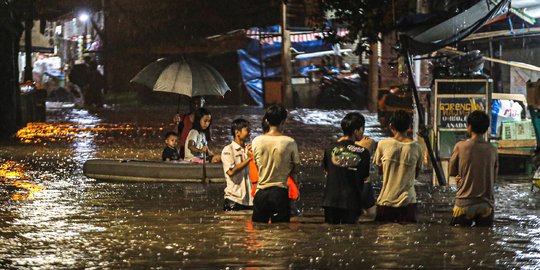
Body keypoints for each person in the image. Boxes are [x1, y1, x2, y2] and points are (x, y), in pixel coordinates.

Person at [251, 105, 300, 223]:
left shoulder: (256, 141)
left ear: (267, 120)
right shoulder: (289, 142)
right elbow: (296, 169)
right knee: (281, 233)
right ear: (283, 121)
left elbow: (257, 165)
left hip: (260, 194)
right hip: (280, 194)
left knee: (259, 232)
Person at [449, 110, 498, 227]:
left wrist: (460, 178)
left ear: (469, 127)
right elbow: (494, 178)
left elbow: (452, 171)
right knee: (484, 240)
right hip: (486, 204)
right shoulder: (492, 149)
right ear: (486, 129)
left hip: (464, 203)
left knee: (460, 242)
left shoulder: (460, 146)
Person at [373, 110, 423, 223]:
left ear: (391, 125)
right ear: (409, 127)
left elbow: (380, 171)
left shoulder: (383, 144)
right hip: (408, 202)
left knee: (384, 237)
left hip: (386, 201)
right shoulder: (417, 148)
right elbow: (416, 175)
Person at [322, 112, 371, 224]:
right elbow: (365, 178)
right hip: (351, 202)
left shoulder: (330, 149)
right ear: (355, 131)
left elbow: (327, 171)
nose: (363, 132)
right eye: (362, 129)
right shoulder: (363, 152)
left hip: (330, 202)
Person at [221, 118, 254, 211]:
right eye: (247, 130)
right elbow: (231, 172)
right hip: (234, 200)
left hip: (250, 200)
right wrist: (249, 159)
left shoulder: (249, 150)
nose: (249, 133)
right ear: (237, 132)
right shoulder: (228, 150)